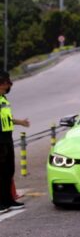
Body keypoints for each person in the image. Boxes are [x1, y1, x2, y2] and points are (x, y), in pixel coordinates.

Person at [0, 71, 30, 214]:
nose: (8, 85)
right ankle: (1, 203)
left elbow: (7, 119)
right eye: (6, 82)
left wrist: (21, 122)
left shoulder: (3, 99)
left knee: (8, 171)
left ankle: (8, 201)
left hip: (6, 138)